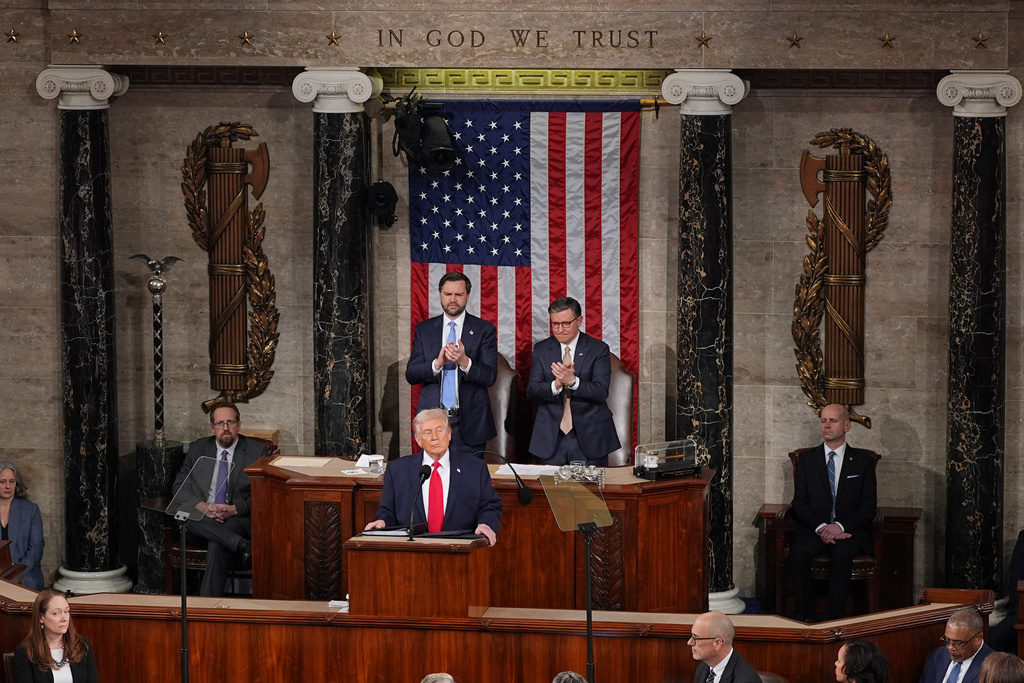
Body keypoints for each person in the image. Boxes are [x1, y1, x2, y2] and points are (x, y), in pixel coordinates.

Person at [789, 403, 877, 621]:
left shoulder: (863, 462)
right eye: (823, 420)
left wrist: (839, 526)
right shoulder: (807, 460)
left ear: (847, 425)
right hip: (815, 529)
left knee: (842, 553)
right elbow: (799, 503)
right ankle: (805, 616)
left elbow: (868, 507)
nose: (826, 425)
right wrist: (822, 527)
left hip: (850, 530)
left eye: (833, 421)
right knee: (798, 553)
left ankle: (835, 619)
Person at [171, 401, 268, 596]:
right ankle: (242, 545)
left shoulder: (256, 451)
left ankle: (205, 609)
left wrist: (234, 509)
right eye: (220, 423)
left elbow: (265, 494)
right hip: (202, 518)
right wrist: (203, 506)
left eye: (230, 422)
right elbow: (179, 488)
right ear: (212, 427)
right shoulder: (198, 449)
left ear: (239, 425)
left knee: (217, 542)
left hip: (235, 519)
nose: (225, 428)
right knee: (184, 516)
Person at [365, 409, 501, 546]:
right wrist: (381, 521)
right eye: (427, 432)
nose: (434, 437)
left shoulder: (475, 468)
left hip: (460, 550)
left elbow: (489, 506)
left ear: (449, 434)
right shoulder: (398, 470)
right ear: (418, 440)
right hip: (412, 551)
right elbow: (387, 510)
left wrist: (486, 524)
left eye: (439, 430)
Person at [406, 271, 498, 458]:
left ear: (467, 296)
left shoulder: (484, 329)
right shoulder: (424, 329)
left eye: (459, 294)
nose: (453, 299)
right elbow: (411, 374)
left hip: (470, 421)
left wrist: (464, 362)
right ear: (440, 294)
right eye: (448, 294)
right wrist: (437, 363)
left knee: (468, 481)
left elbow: (490, 376)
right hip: (432, 420)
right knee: (434, 480)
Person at [526, 297, 620, 466]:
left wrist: (573, 381)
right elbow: (532, 390)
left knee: (591, 492)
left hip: (589, 435)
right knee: (551, 491)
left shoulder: (598, 349)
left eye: (566, 323)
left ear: (579, 321)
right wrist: (556, 384)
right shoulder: (541, 350)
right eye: (555, 324)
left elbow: (601, 391)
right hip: (552, 437)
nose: (560, 329)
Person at [13, 588, 99, 682]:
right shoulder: (25, 652)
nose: (64, 618)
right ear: (41, 618)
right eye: (56, 613)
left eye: (66, 611)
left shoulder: (82, 644)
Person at [0, 461, 44, 590]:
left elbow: (36, 547)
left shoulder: (30, 510)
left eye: (12, 481)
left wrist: (17, 570)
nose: (8, 486)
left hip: (24, 571)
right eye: (2, 482)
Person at [919, 607, 993, 683]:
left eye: (958, 643)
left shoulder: (994, 669)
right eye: (947, 640)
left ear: (978, 638)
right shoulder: (936, 656)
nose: (950, 648)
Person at [689, 611, 761, 683]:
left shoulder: (746, 680)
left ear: (717, 643)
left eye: (696, 638)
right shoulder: (703, 668)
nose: (690, 642)